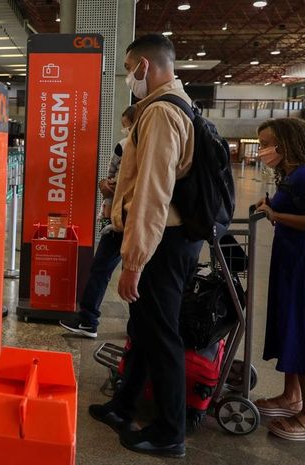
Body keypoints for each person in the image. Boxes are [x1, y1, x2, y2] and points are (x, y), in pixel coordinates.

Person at [88, 34, 201, 459]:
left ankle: (171, 432)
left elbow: (154, 194)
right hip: (164, 239)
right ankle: (124, 405)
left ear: (144, 66)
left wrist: (133, 262)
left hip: (161, 244)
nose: (128, 78)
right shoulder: (174, 105)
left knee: (161, 335)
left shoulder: (160, 113)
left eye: (128, 69)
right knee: (144, 329)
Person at [60, 105, 136, 338]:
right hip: (135, 219)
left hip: (118, 218)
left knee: (101, 268)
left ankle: (88, 320)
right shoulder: (149, 146)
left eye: (125, 124)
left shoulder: (124, 145)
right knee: (136, 274)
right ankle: (136, 328)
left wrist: (107, 185)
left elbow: (111, 178)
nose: (124, 129)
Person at [251, 118, 305, 441]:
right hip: (288, 261)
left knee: (300, 329)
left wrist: (276, 215)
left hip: (301, 264)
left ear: (285, 142)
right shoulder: (291, 175)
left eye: (265, 144)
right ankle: (291, 396)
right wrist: (271, 207)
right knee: (289, 328)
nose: (262, 150)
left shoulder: (304, 175)